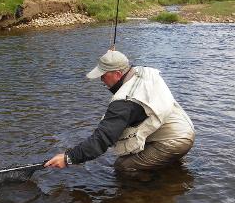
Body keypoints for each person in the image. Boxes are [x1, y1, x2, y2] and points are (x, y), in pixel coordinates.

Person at [45, 50, 195, 172]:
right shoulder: (143, 72)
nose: (101, 79)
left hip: (174, 142)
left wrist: (68, 158)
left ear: (117, 74)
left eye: (103, 75)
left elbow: (102, 140)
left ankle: (143, 196)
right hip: (185, 129)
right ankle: (171, 169)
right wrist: (114, 57)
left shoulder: (124, 103)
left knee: (123, 166)